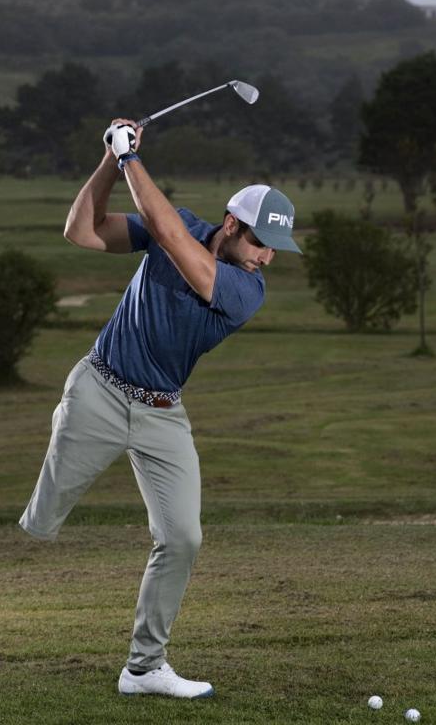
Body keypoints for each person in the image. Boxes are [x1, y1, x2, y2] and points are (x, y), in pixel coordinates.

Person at [19, 119, 301, 699]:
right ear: (231, 224)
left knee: (183, 536)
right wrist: (108, 159)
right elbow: (81, 230)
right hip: (98, 390)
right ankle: (37, 523)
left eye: (274, 247)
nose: (266, 258)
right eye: (258, 242)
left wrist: (131, 161)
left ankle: (143, 668)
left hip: (161, 415)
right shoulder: (184, 228)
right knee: (42, 521)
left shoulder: (246, 291)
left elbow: (180, 249)